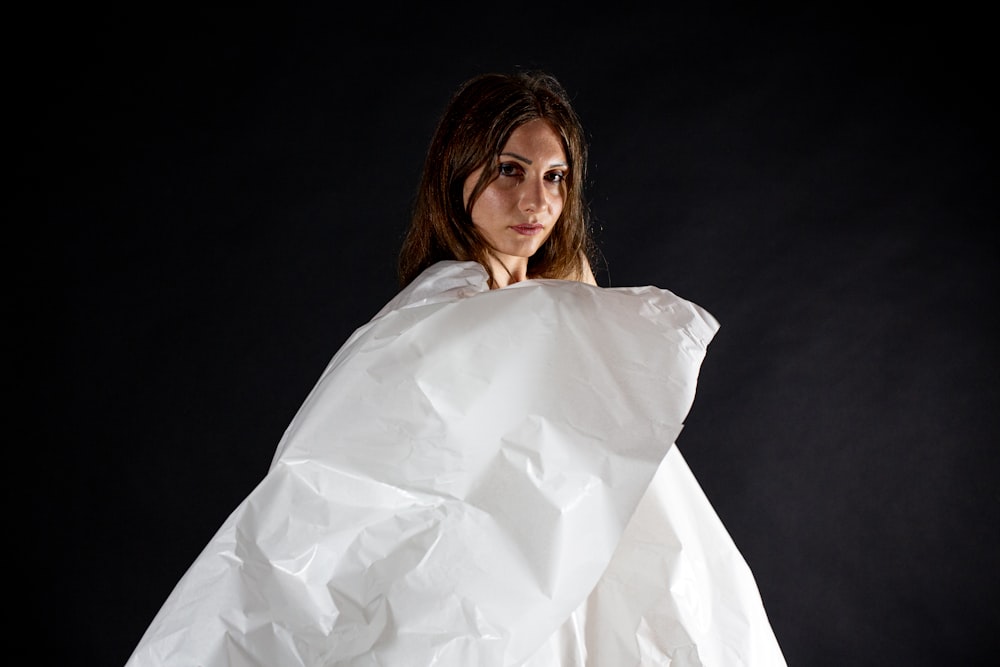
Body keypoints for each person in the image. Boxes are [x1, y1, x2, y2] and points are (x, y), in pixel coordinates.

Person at [126, 70, 786, 666]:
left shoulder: (559, 304)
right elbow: (359, 479)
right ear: (458, 173)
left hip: (575, 584)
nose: (536, 200)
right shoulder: (439, 311)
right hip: (474, 596)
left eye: (555, 177)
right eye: (509, 170)